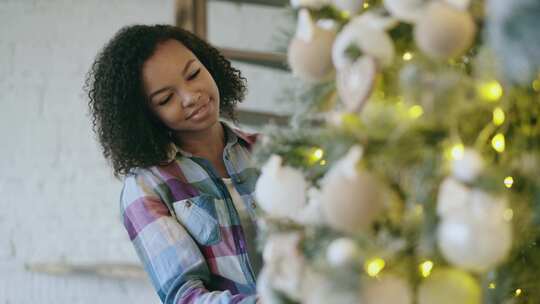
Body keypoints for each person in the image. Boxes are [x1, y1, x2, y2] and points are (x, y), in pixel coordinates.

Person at [85, 24, 262, 304]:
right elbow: (184, 296)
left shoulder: (268, 151)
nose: (192, 97)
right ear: (145, 116)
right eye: (166, 98)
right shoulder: (146, 187)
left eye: (194, 74)